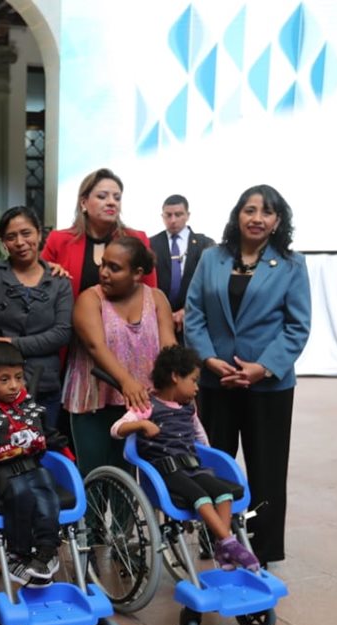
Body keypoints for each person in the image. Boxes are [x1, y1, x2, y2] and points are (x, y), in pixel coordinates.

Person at [184, 184, 311, 567]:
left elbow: (297, 326)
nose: (257, 218)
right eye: (250, 209)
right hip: (216, 381)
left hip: (268, 385)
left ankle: (264, 546)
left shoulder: (291, 264)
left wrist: (262, 368)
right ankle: (217, 539)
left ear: (277, 222)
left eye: (267, 212)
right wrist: (207, 359)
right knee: (216, 465)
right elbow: (194, 314)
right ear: (237, 215)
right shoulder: (211, 258)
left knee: (266, 468)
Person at [110, 345, 258, 572]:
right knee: (201, 497)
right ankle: (229, 541)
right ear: (175, 377)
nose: (197, 388)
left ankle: (222, 543)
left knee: (224, 492)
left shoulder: (188, 408)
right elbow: (116, 428)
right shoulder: (148, 406)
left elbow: (200, 437)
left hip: (193, 467)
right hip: (166, 472)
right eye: (193, 380)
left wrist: (211, 458)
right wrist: (141, 424)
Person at [63, 237, 175, 475]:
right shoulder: (89, 299)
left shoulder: (156, 298)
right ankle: (92, 515)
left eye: (114, 268)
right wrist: (126, 382)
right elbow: (96, 347)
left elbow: (169, 348)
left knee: (129, 479)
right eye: (103, 264)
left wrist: (177, 384)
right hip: (94, 402)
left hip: (141, 404)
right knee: (95, 477)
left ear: (137, 273)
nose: (103, 273)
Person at [0, 341, 68, 586]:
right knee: (21, 495)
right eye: (4, 379)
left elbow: (42, 427)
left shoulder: (27, 403)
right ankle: (17, 555)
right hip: (1, 472)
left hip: (32, 464)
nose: (14, 386)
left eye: (19, 378)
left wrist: (55, 441)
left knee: (47, 493)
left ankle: (45, 551)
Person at [0, 206, 73, 428]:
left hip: (45, 384)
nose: (19, 242)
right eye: (11, 237)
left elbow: (61, 333)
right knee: (2, 453)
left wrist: (12, 344)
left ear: (39, 233)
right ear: (3, 242)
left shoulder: (59, 282)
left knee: (44, 451)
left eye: (26, 233)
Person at [41, 167, 156, 298]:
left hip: (126, 318)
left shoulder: (137, 239)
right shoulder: (58, 240)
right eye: (102, 196)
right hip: (72, 317)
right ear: (83, 203)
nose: (112, 202)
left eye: (117, 198)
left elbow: (150, 294)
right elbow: (39, 284)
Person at [149, 194, 215, 336]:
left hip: (195, 320)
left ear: (188, 215)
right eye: (168, 215)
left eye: (178, 214)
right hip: (156, 321)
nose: (173, 220)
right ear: (162, 216)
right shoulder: (150, 244)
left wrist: (187, 310)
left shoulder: (205, 244)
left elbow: (210, 284)